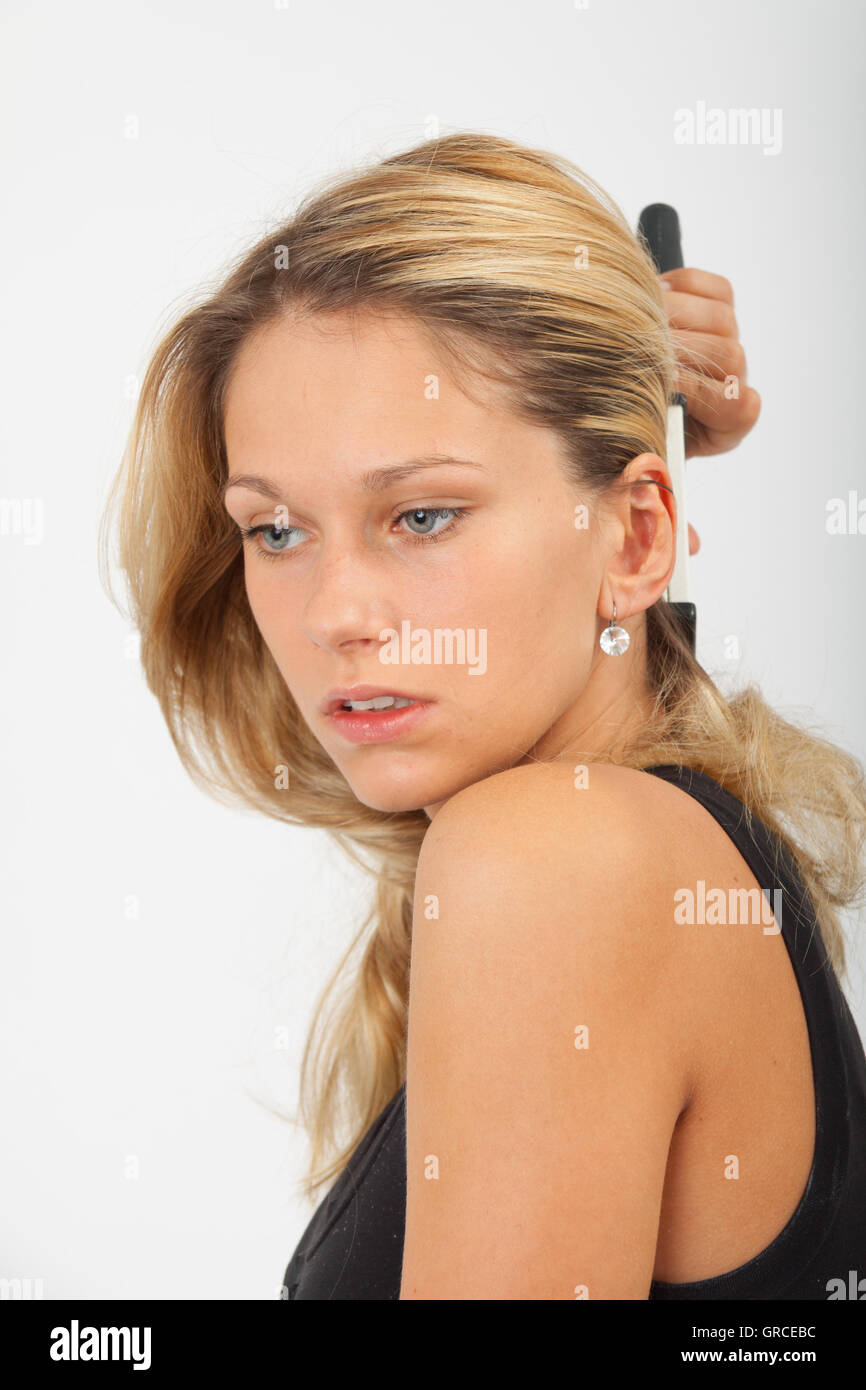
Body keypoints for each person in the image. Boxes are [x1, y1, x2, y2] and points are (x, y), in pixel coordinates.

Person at [100, 131, 866, 1300]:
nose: (334, 614)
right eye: (276, 530)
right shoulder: (658, 847)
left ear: (640, 535)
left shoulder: (554, 856)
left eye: (420, 517)